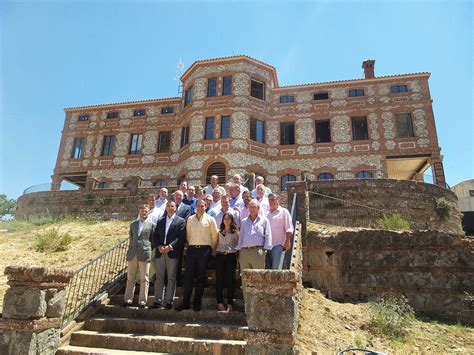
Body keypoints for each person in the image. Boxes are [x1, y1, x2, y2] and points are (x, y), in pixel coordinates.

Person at [176, 199, 219, 312]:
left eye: (203, 206)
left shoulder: (210, 219)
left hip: (204, 251)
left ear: (206, 206)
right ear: (195, 207)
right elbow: (188, 235)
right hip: (192, 250)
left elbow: (214, 236)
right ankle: (185, 302)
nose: (200, 208)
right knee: (188, 277)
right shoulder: (190, 219)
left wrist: (211, 249)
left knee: (200, 277)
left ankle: (197, 302)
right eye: (198, 206)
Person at [151, 201, 186, 309]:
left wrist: (170, 247)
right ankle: (157, 301)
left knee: (171, 278)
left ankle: (169, 301)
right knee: (159, 278)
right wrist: (159, 247)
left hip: (172, 252)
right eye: (168, 206)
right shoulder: (160, 221)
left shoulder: (181, 221)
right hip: (160, 252)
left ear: (175, 208)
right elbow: (155, 236)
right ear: (166, 208)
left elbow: (181, 238)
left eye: (172, 206)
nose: (170, 208)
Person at [123, 204, 155, 308]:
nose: (144, 213)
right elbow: (131, 238)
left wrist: (147, 248)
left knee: (144, 278)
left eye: (146, 211)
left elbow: (153, 241)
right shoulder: (133, 224)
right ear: (139, 212)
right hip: (133, 254)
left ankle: (142, 301)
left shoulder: (152, 225)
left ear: (148, 212)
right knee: (130, 277)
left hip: (145, 253)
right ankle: (128, 299)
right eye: (142, 211)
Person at [235, 200, 272, 270]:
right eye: (250, 207)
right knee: (245, 277)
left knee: (258, 277)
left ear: (258, 208)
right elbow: (241, 236)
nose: (252, 209)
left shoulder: (264, 220)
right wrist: (239, 249)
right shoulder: (244, 221)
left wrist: (265, 250)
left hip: (258, 251)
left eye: (254, 207)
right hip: (244, 252)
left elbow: (268, 234)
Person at [215, 213, 239, 312]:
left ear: (232, 220)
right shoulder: (218, 231)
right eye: (225, 218)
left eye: (229, 219)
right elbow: (215, 242)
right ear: (223, 220)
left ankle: (230, 303)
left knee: (230, 280)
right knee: (219, 279)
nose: (227, 220)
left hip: (231, 256)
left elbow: (238, 245)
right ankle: (219, 303)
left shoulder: (236, 232)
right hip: (220, 256)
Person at [266, 193, 294, 270]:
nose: (271, 201)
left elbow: (289, 228)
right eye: (269, 200)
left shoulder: (284, 212)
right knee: (267, 269)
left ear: (278, 200)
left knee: (276, 268)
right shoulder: (267, 214)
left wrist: (287, 241)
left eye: (273, 199)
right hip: (267, 246)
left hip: (278, 245)